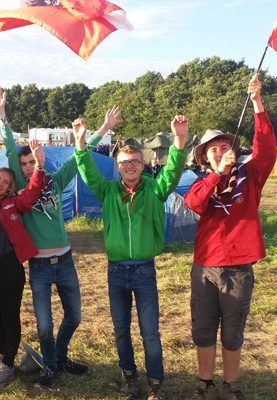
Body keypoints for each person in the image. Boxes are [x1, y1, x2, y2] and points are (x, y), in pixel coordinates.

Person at [0, 85, 119, 388]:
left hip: (66, 261)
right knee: (44, 325)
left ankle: (58, 356)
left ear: (40, 160)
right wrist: (1, 112)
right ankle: (50, 366)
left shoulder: (56, 181)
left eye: (32, 161)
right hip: (41, 268)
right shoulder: (20, 189)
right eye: (23, 164)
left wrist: (103, 128)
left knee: (74, 317)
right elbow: (9, 144)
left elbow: (79, 156)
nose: (28, 166)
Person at [73, 113, 188, 400]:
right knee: (121, 329)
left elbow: (172, 173)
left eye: (135, 161)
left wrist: (179, 140)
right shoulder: (108, 191)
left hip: (144, 271)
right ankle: (128, 377)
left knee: (150, 332)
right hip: (116, 272)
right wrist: (80, 142)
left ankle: (156, 384)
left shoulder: (154, 190)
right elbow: (87, 172)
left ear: (143, 164)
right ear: (118, 166)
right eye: (125, 162)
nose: (130, 166)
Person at [183, 74, 276, 400]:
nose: (220, 150)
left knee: (233, 330)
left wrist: (256, 103)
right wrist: (218, 174)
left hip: (238, 266)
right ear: (204, 157)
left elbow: (267, 148)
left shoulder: (250, 176)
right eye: (213, 149)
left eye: (225, 146)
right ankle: (204, 382)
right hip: (205, 266)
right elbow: (194, 204)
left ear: (234, 151)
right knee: (203, 329)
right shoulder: (201, 182)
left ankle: (231, 385)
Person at [0, 140, 45, 387]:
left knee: (9, 315)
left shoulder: (13, 203)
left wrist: (39, 166)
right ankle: (5, 351)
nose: (0, 182)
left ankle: (7, 364)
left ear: (9, 188)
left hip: (8, 268)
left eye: (5, 181)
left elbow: (33, 192)